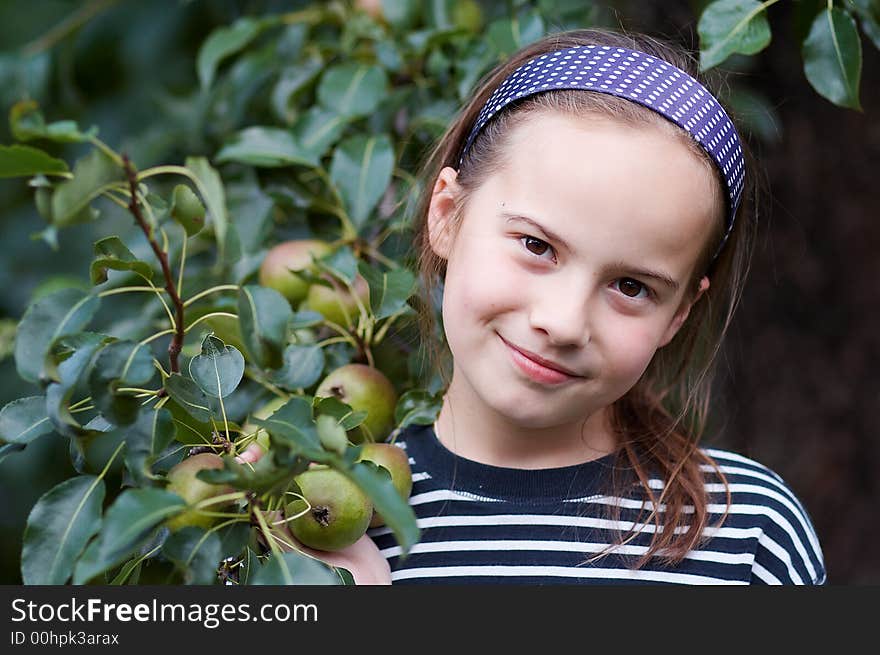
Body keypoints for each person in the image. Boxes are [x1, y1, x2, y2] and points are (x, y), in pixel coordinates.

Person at [244, 27, 825, 585]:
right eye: (536, 246)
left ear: (678, 314)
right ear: (447, 216)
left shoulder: (747, 535)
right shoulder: (317, 516)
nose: (564, 322)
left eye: (631, 287)